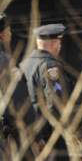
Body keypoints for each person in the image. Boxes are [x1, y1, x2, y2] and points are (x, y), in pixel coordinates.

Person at [20, 23, 72, 159]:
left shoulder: (24, 64)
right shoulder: (50, 66)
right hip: (49, 133)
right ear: (55, 43)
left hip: (31, 131)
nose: (60, 46)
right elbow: (55, 103)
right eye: (59, 42)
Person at [0, 12, 34, 160]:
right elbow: (15, 99)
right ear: (1, 35)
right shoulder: (4, 61)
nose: (11, 33)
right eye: (8, 30)